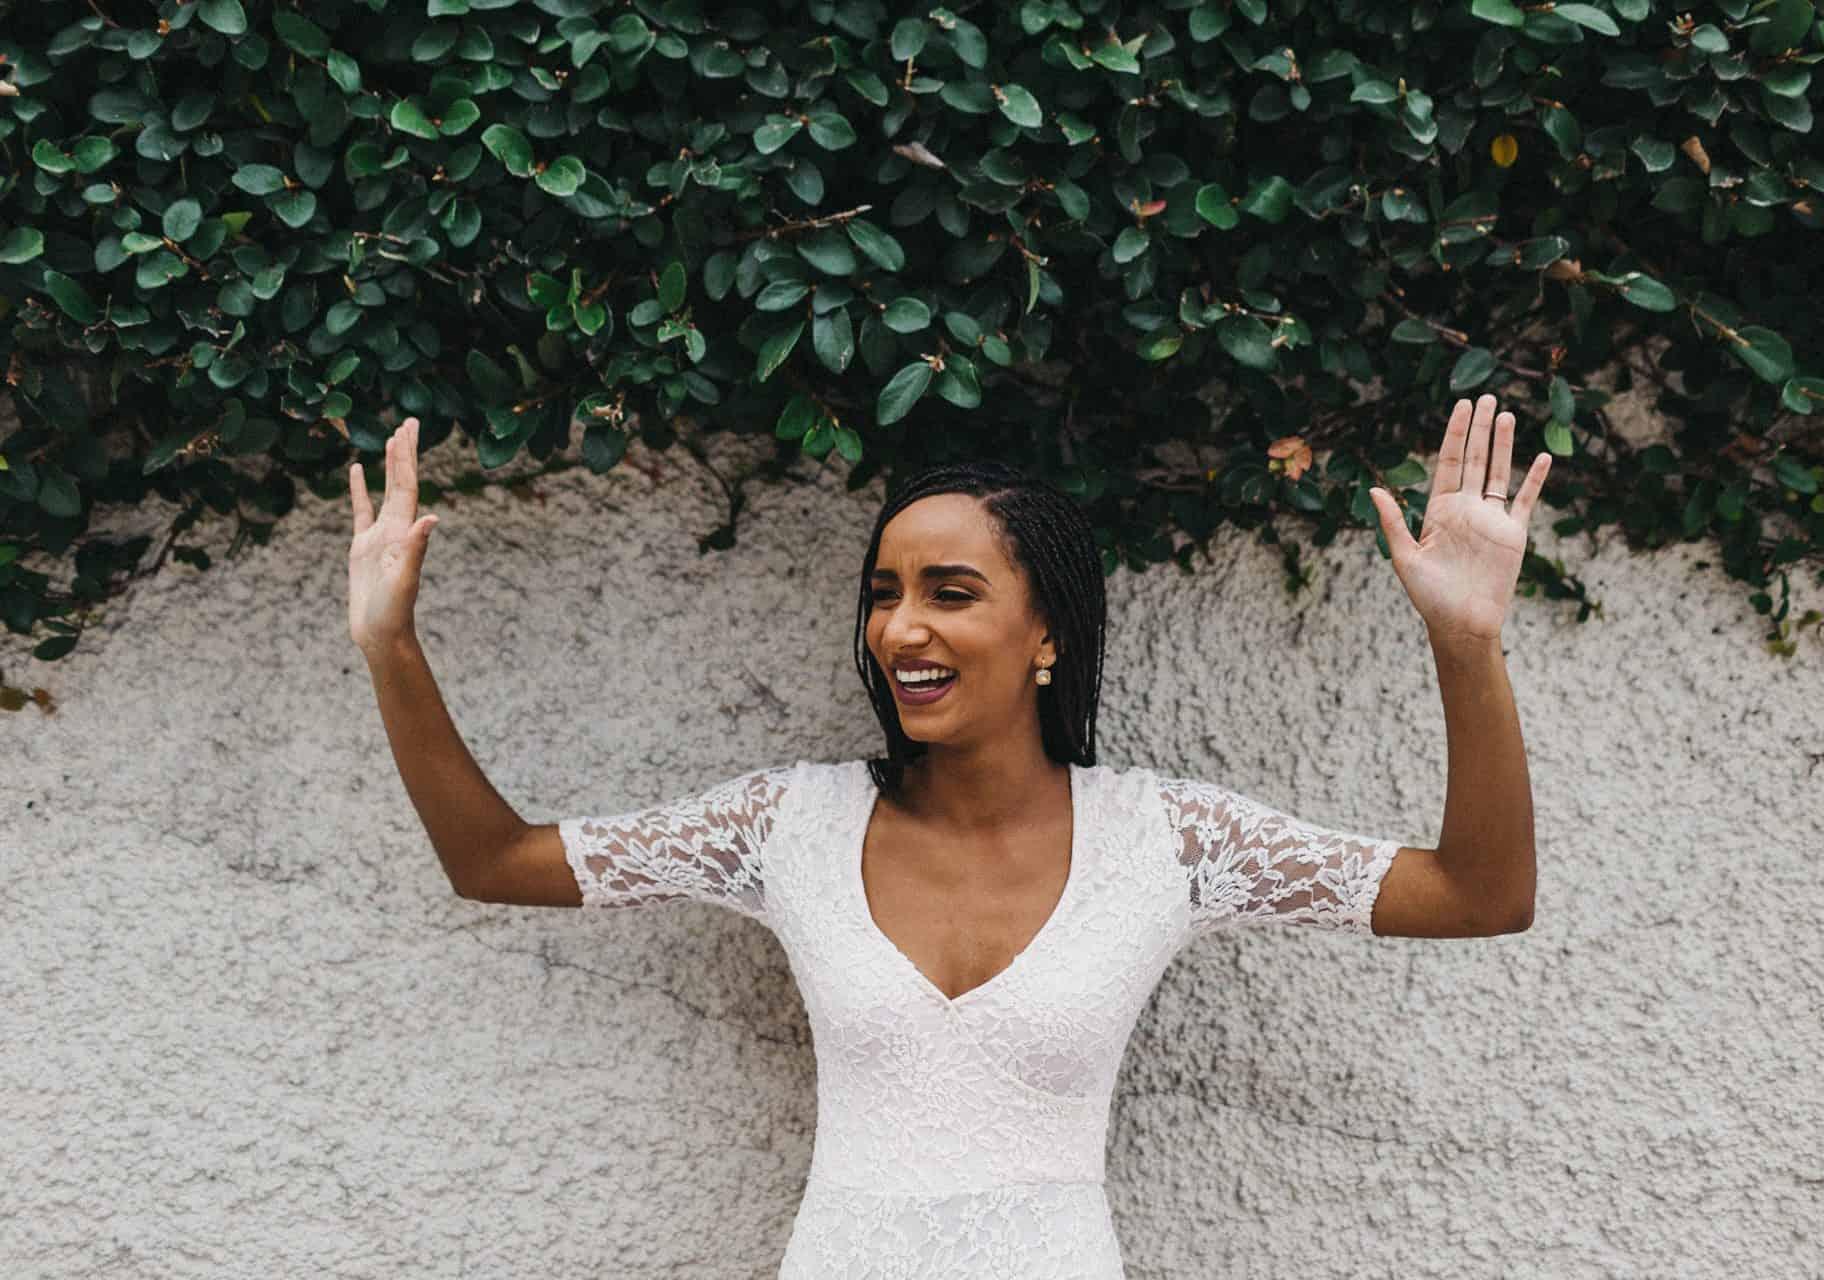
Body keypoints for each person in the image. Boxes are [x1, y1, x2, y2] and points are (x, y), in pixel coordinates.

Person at [348, 394, 1547, 1277]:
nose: (902, 627)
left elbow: (1479, 893)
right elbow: (494, 859)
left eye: (950, 592)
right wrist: (389, 646)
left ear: (1047, 634)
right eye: (884, 591)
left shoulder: (1169, 839)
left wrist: (1464, 642)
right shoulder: (787, 825)